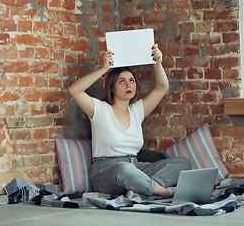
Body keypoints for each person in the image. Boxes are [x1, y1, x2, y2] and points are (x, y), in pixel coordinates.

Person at [69, 44, 191, 198]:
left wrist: (157, 64)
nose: (128, 85)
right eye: (121, 81)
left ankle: (139, 190)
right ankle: (162, 191)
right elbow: (75, 90)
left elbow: (162, 88)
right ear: (111, 88)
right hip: (106, 173)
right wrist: (103, 69)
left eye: (131, 80)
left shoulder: (137, 111)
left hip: (136, 167)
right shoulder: (100, 110)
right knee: (124, 169)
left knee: (183, 164)